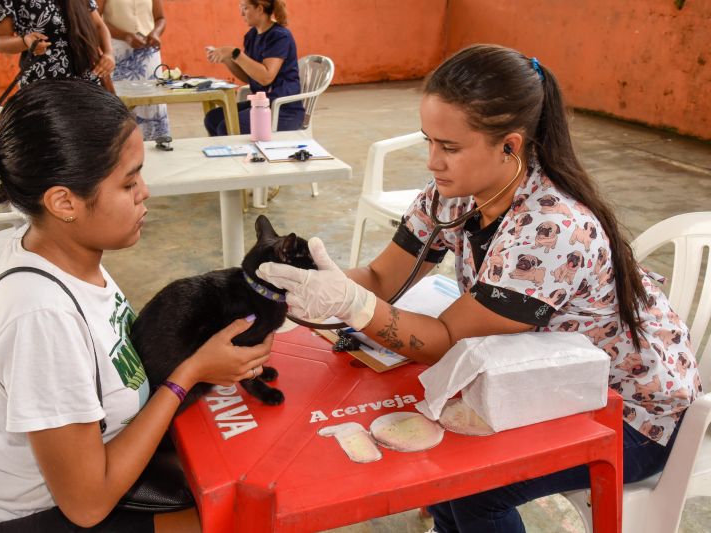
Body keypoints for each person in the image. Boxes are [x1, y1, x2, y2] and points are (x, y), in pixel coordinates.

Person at [257, 44, 702, 532]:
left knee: (474, 488)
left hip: (633, 413)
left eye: (449, 148)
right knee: (439, 457)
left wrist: (352, 305)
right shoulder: (453, 197)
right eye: (429, 141)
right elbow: (383, 278)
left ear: (509, 146)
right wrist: (318, 283)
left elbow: (446, 339)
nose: (433, 162)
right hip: (543, 374)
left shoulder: (550, 229)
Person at [0, 79, 272, 532]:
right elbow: (87, 505)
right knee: (249, 519)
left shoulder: (65, 254)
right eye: (129, 182)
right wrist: (190, 373)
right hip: (38, 518)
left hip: (95, 485)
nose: (146, 192)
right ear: (64, 202)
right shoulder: (42, 317)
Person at [203, 0, 304, 136]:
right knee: (212, 119)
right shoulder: (251, 36)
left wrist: (235, 53)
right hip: (261, 104)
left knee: (226, 128)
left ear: (260, 9)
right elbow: (250, 76)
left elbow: (266, 77)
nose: (241, 13)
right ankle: (226, 149)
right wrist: (227, 59)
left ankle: (238, 149)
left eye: (245, 8)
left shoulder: (279, 36)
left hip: (283, 109)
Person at [0, 0, 115, 87]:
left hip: (88, 82)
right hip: (43, 86)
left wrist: (108, 53)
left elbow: (98, 26)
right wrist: (25, 42)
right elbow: (0, 41)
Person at [98, 0, 170, 141]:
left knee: (153, 100)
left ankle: (157, 141)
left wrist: (155, 33)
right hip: (118, 53)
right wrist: (125, 36)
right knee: (121, 100)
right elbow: (96, 21)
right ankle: (125, 145)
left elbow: (160, 18)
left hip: (149, 54)